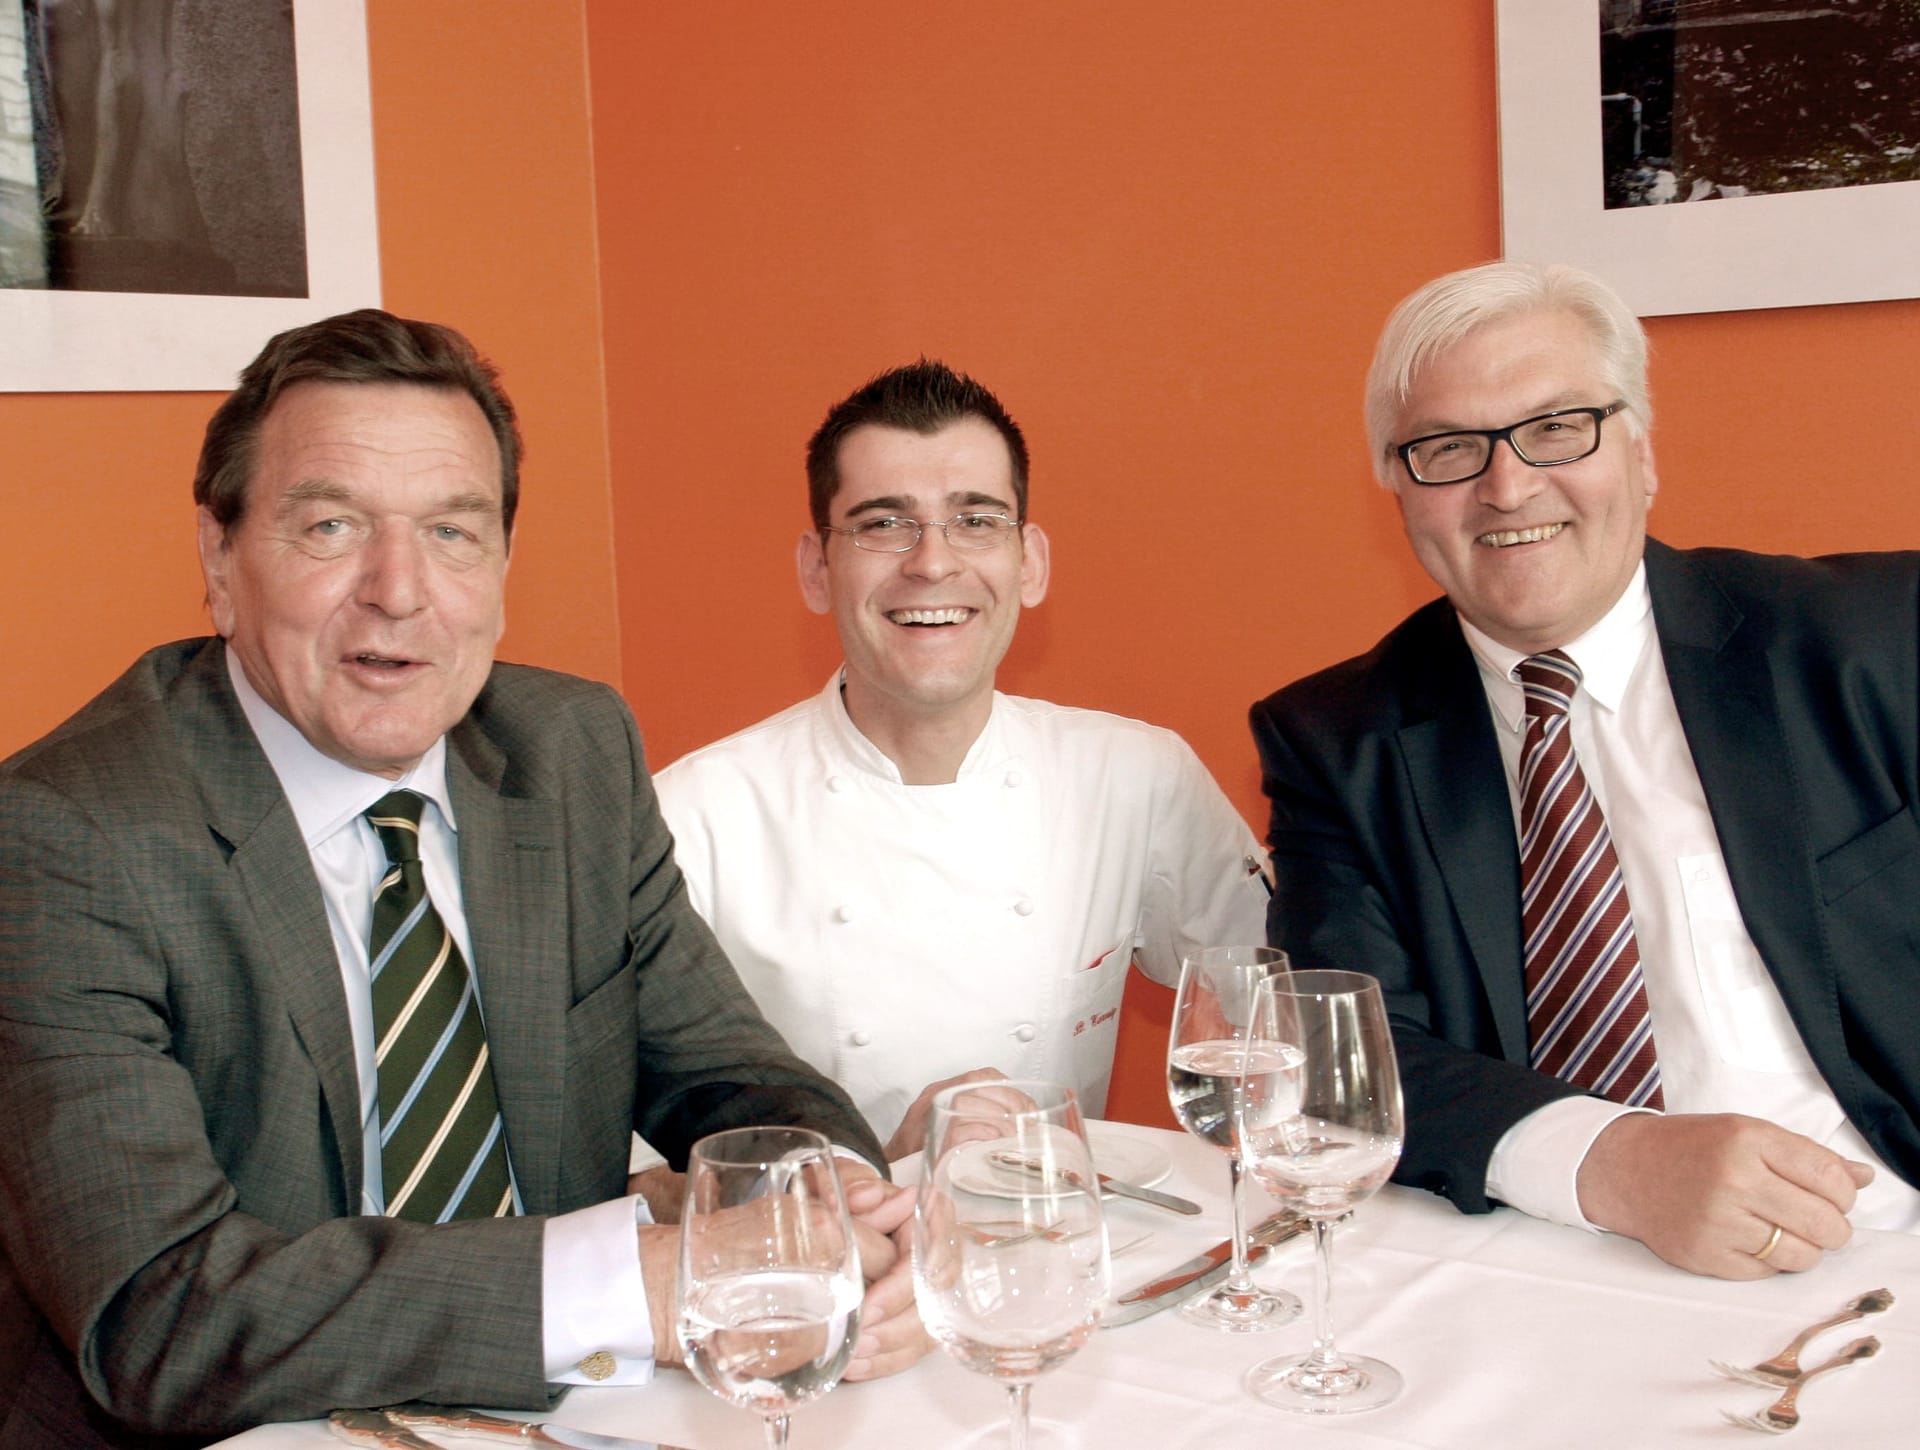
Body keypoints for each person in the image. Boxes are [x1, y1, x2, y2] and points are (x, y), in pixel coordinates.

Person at [0, 310, 924, 1449]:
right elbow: (161, 1311)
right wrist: (638, 1280)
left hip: (560, 1418)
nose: (399, 590)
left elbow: (729, 1077)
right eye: (331, 526)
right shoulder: (61, 834)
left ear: (500, 566)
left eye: (452, 532)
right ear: (218, 560)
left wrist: (830, 1214)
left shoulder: (568, 750)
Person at [1250, 259, 1920, 1283]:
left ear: (1641, 454)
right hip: (1572, 1268)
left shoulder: (1871, 641)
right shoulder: (1336, 740)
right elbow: (1349, 1061)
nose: (1507, 486)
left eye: (1559, 427)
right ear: (1395, 487)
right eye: (1448, 448)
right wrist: (1618, 1159)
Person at [650, 360, 1269, 1160]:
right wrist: (879, 1170)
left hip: (1062, 1249)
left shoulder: (1137, 777)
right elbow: (636, 1172)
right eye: (883, 523)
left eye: (976, 519)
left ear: (1030, 562)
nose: (933, 563)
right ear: (815, 569)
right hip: (830, 1272)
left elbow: (1279, 997)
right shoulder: (693, 819)